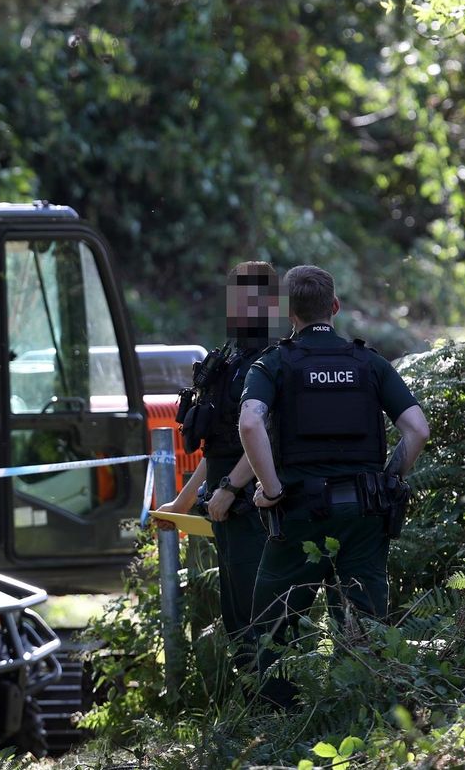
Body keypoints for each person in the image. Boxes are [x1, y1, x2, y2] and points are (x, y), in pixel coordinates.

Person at [242, 265, 429, 706]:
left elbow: (250, 421)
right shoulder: (370, 363)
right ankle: (367, 718)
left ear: (289, 312)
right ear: (335, 306)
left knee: (271, 630)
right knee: (367, 626)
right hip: (364, 514)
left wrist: (270, 491)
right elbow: (417, 429)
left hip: (299, 515)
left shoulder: (273, 363)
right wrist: (387, 481)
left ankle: (272, 727)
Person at [156, 261, 279, 646]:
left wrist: (227, 487)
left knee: (263, 623)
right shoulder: (231, 359)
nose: (241, 308)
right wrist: (182, 502)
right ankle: (253, 703)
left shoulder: (273, 361)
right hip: (226, 510)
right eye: (237, 298)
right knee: (237, 623)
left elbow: (266, 436)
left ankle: (274, 705)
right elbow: (221, 445)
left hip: (256, 511)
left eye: (250, 299)